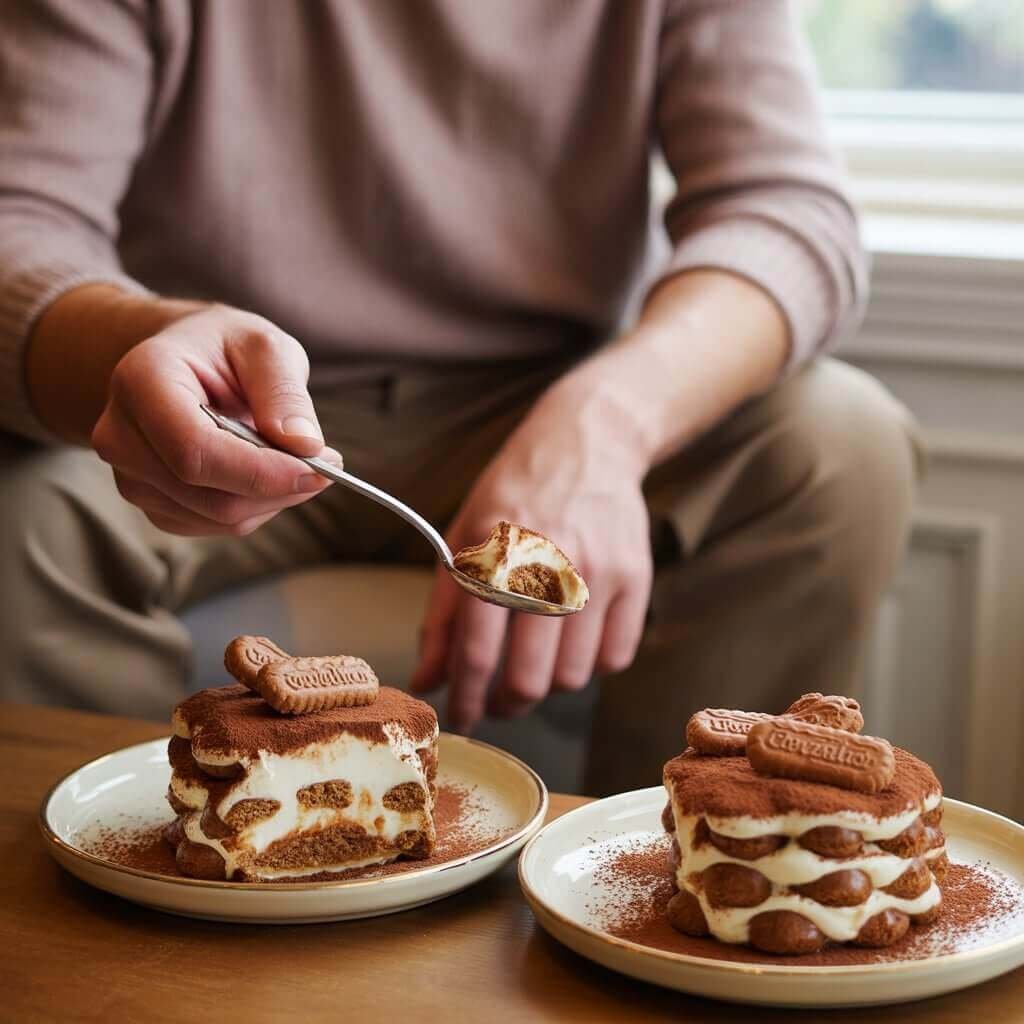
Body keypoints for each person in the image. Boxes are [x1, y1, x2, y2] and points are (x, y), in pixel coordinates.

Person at [0, 1, 917, 793]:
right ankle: (116, 919)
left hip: (537, 395)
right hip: (222, 403)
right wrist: (138, 346)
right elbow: (21, 221)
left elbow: (789, 214)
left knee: (841, 445)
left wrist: (601, 427)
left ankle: (681, 892)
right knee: (19, 506)